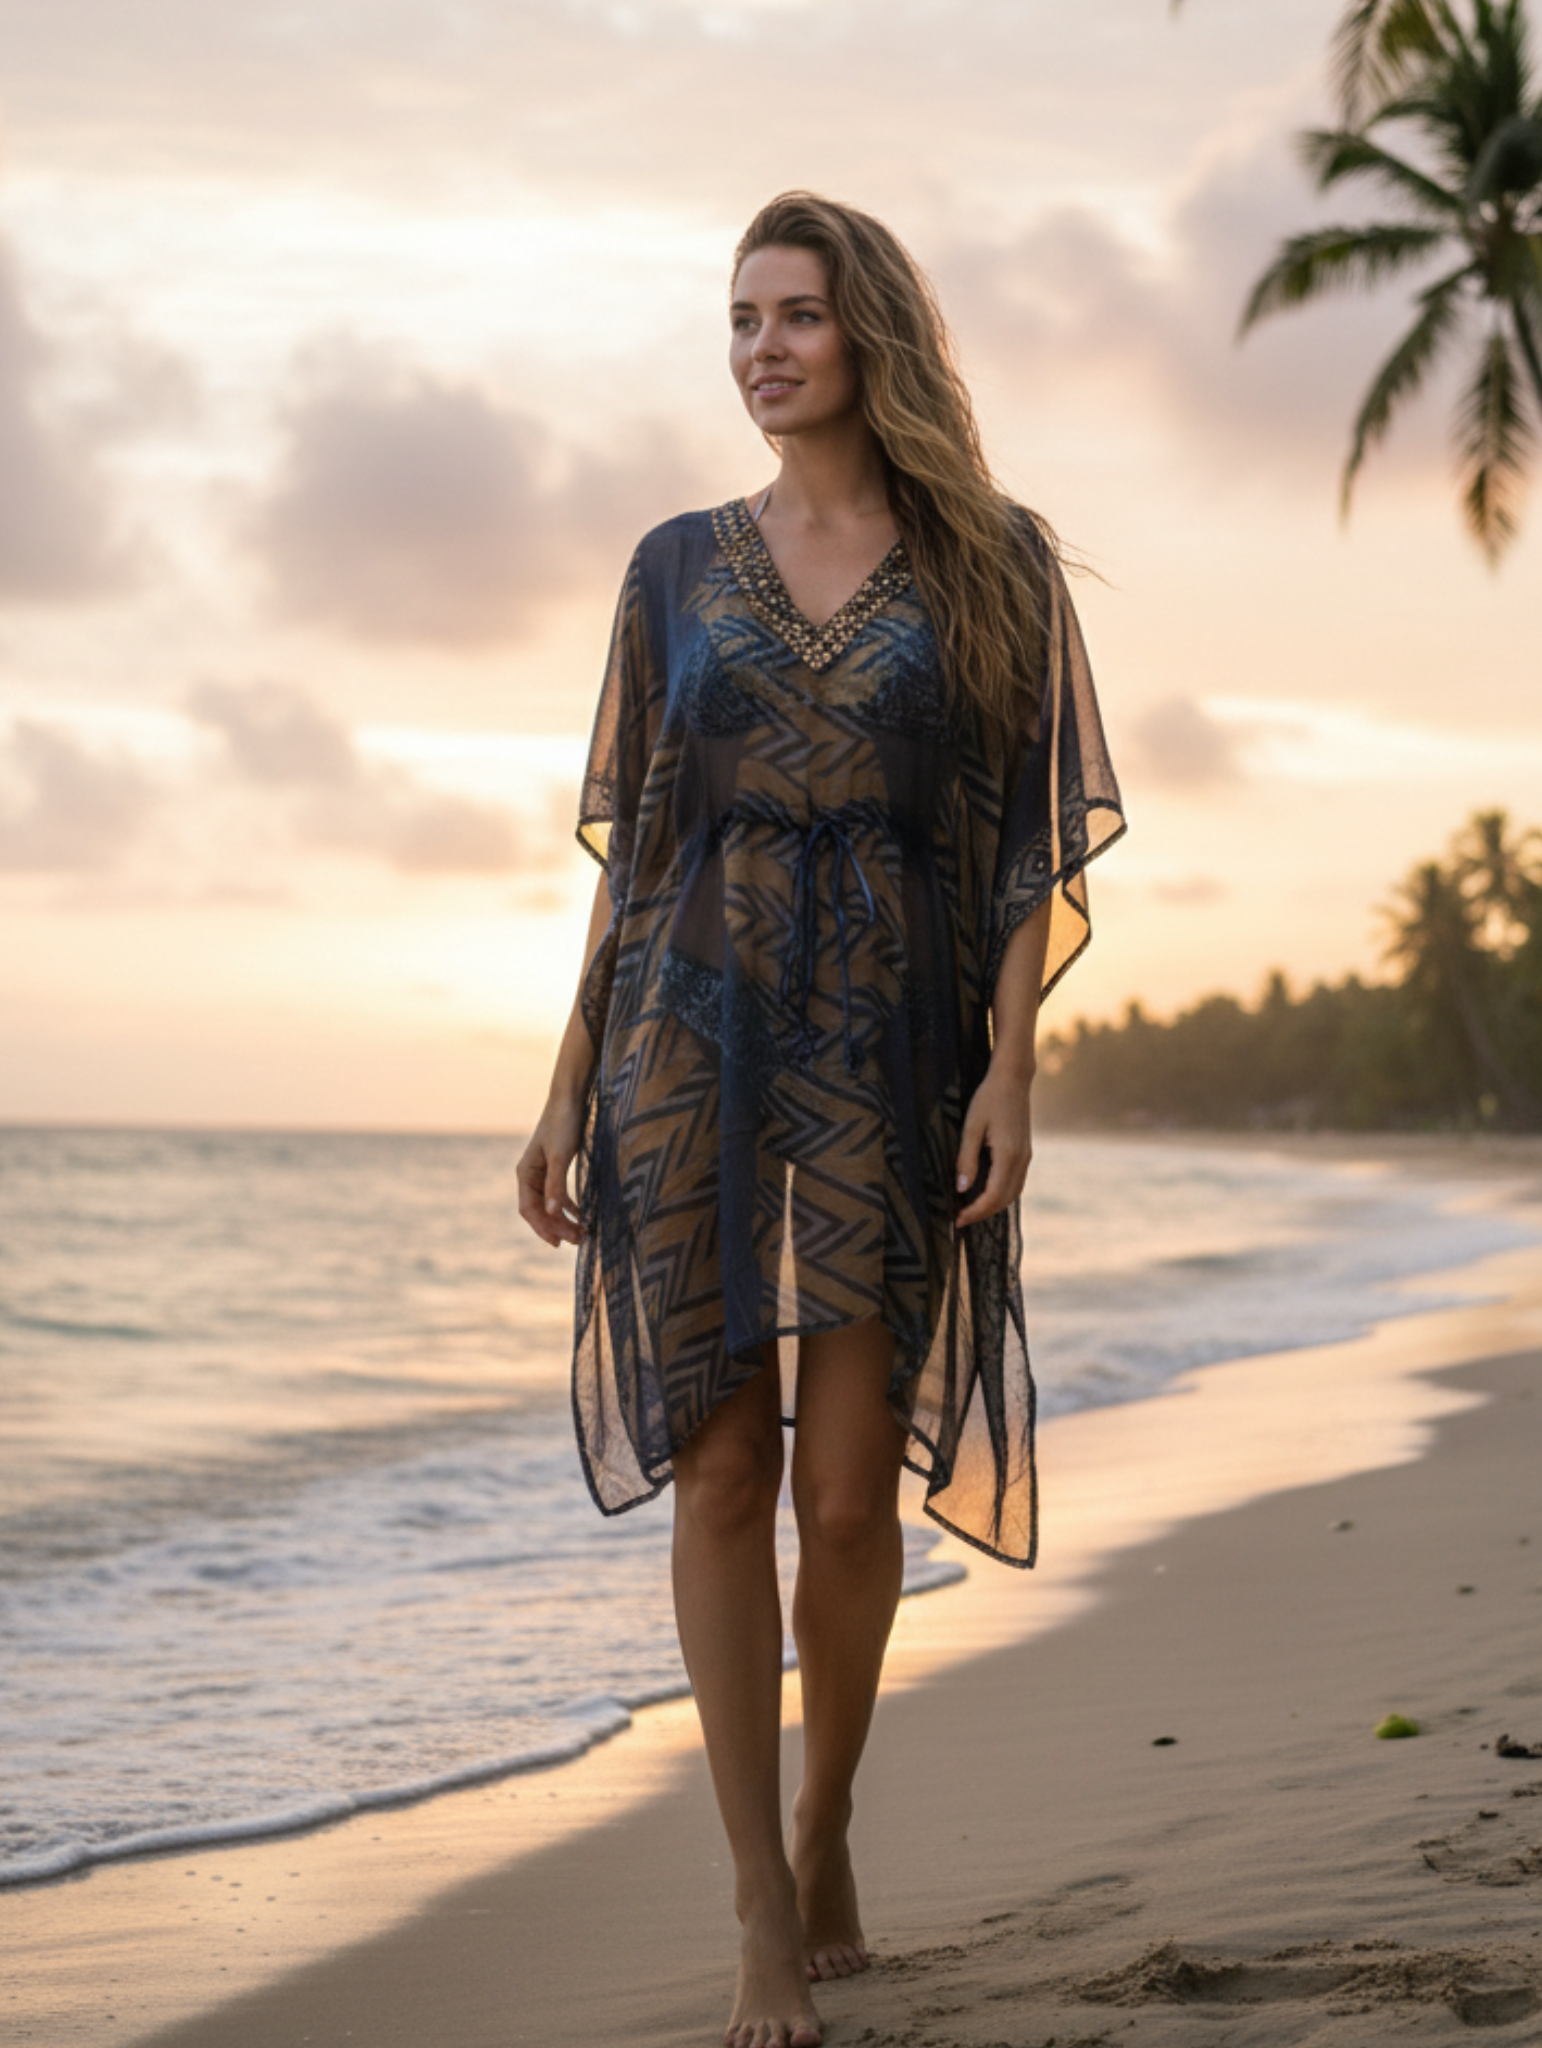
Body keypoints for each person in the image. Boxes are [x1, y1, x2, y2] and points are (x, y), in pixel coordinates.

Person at [517, 190, 1124, 2048]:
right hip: (685, 1037)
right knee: (724, 1472)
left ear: (869, 332)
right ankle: (759, 1903)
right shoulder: (670, 568)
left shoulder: (992, 563)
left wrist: (1011, 1070)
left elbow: (1020, 852)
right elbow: (639, 854)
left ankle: (827, 1808)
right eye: (738, 319)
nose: (759, 350)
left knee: (850, 1500)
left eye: (792, 314)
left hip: (890, 1043)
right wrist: (562, 1084)